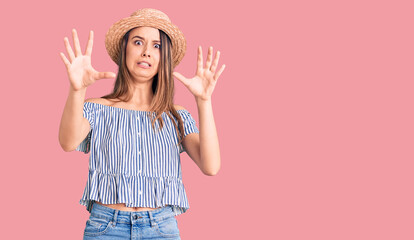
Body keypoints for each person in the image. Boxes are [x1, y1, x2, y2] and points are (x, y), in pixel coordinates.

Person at [58, 8, 225, 239]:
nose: (146, 52)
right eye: (138, 42)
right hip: (105, 227)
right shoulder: (97, 108)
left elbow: (211, 166)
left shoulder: (176, 116)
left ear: (163, 58)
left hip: (161, 228)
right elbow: (68, 142)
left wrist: (204, 101)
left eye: (156, 46)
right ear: (124, 49)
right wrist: (77, 90)